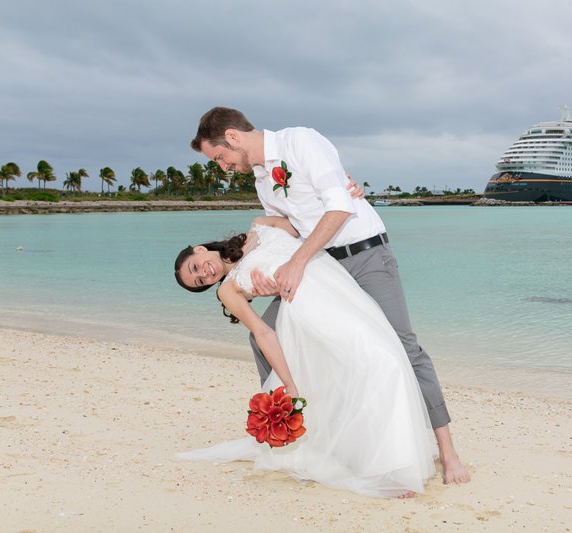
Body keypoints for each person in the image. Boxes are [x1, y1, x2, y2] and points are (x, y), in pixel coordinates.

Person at [190, 107, 470, 484]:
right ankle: (298, 428)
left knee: (404, 348)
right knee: (265, 336)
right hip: (321, 267)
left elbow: (338, 208)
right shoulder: (261, 182)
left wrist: (300, 260)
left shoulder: (300, 140)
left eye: (220, 157)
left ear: (234, 137)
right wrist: (262, 275)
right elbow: (288, 231)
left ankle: (448, 452)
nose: (223, 167)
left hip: (365, 254)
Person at [175, 216, 436, 497]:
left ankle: (393, 461)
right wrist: (289, 383)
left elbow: (308, 225)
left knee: (386, 363)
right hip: (310, 310)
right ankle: (387, 470)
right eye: (200, 281)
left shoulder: (260, 225)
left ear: (198, 250)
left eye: (195, 267)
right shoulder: (228, 290)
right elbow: (263, 334)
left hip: (341, 290)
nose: (205, 273)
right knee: (382, 365)